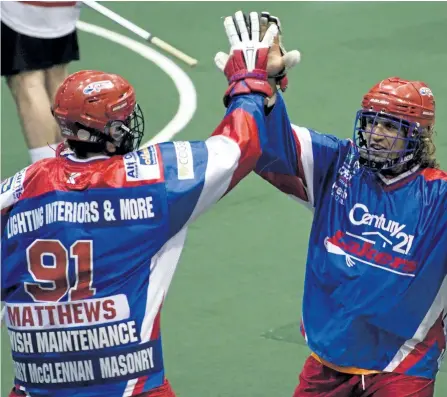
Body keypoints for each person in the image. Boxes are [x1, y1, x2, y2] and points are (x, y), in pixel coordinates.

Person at [1, 13, 279, 397]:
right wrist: (249, 81)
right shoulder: (154, 180)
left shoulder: (14, 191)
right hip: (129, 387)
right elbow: (239, 147)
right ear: (114, 130)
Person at [223, 12, 445, 397]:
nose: (376, 133)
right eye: (372, 122)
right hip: (329, 360)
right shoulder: (339, 164)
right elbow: (268, 146)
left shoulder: (438, 198)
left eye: (390, 126)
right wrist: (262, 84)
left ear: (417, 136)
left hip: (402, 367)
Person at [1, 1, 81, 163]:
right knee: (56, 76)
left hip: (22, 11)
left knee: (26, 80)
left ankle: (46, 174)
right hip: (63, 10)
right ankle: (71, 166)